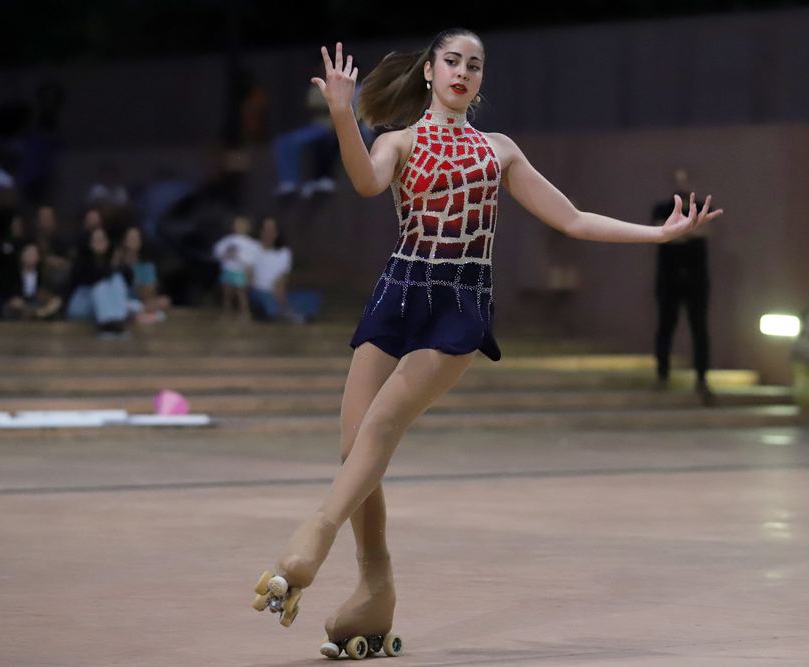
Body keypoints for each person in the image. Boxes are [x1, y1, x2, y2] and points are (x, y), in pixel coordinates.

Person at [249, 32, 724, 660]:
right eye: (453, 61)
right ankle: (375, 587)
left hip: (459, 301)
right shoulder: (400, 140)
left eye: (475, 65)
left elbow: (572, 219)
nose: (464, 72)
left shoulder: (498, 150)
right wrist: (342, 114)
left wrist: (660, 235)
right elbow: (365, 182)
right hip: (397, 291)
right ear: (429, 71)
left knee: (381, 427)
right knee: (351, 443)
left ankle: (314, 537)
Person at [651, 168, 715, 405]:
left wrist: (683, 232)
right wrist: (685, 232)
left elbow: (705, 231)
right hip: (669, 279)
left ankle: (702, 377)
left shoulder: (700, 206)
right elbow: (662, 232)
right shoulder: (662, 208)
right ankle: (662, 374)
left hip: (696, 280)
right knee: (665, 326)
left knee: (699, 328)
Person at [247, 215, 321, 323]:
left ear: (277, 233)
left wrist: (280, 295)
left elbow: (282, 279)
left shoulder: (284, 253)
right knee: (266, 301)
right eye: (265, 229)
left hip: (276, 292)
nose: (268, 233)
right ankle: (283, 314)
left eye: (271, 230)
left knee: (312, 297)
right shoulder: (252, 248)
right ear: (260, 231)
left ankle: (286, 313)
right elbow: (249, 276)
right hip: (257, 291)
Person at [212, 214, 260, 319]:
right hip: (228, 270)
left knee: (241, 293)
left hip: (240, 271)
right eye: (237, 225)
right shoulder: (227, 240)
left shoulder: (250, 243)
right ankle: (227, 311)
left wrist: (238, 257)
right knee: (227, 293)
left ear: (248, 228)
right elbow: (217, 252)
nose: (239, 227)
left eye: (242, 225)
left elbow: (251, 259)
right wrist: (226, 254)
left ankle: (245, 312)